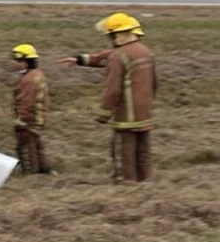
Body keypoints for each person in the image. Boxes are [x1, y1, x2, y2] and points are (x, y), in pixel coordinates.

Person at [59, 12, 157, 183]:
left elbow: (112, 90)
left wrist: (103, 114)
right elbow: (154, 83)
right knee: (143, 152)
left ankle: (126, 183)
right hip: (145, 114)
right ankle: (145, 183)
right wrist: (81, 59)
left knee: (123, 152)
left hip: (126, 117)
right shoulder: (145, 52)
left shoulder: (119, 56)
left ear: (117, 35)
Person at [11, 44, 52, 175]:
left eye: (19, 61)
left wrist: (21, 121)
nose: (16, 64)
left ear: (28, 62)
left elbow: (28, 103)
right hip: (38, 118)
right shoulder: (37, 75)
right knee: (37, 145)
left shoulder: (29, 80)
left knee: (27, 149)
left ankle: (32, 174)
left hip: (30, 120)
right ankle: (44, 170)